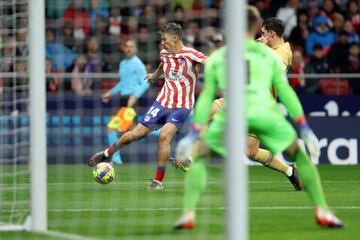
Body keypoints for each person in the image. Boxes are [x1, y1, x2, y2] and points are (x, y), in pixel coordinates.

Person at [174, 6, 344, 229]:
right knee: (253, 151)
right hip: (253, 106)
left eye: (264, 33)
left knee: (212, 138)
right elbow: (284, 90)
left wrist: (193, 133)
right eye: (259, 32)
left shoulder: (274, 52)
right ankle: (294, 176)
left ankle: (190, 171)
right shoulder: (258, 52)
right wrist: (304, 127)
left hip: (253, 105)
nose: (261, 36)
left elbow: (210, 96)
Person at [174, 17, 302, 191]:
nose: (261, 36)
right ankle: (190, 158)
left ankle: (288, 170)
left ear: (272, 34)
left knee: (250, 151)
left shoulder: (283, 51)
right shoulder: (269, 49)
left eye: (264, 33)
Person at [87, 22, 207, 190]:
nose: (162, 43)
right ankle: (106, 153)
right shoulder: (165, 53)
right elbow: (163, 64)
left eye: (165, 39)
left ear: (176, 38)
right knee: (133, 134)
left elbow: (212, 63)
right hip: (162, 102)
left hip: (182, 105)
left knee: (164, 136)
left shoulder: (191, 54)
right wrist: (155, 76)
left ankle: (158, 182)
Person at [102, 39, 149, 164]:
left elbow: (146, 82)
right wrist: (110, 92)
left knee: (111, 128)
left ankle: (116, 159)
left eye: (131, 46)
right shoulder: (123, 63)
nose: (128, 49)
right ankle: (163, 131)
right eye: (127, 46)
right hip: (123, 99)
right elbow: (123, 82)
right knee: (136, 130)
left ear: (135, 49)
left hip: (132, 100)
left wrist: (135, 96)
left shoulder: (138, 64)